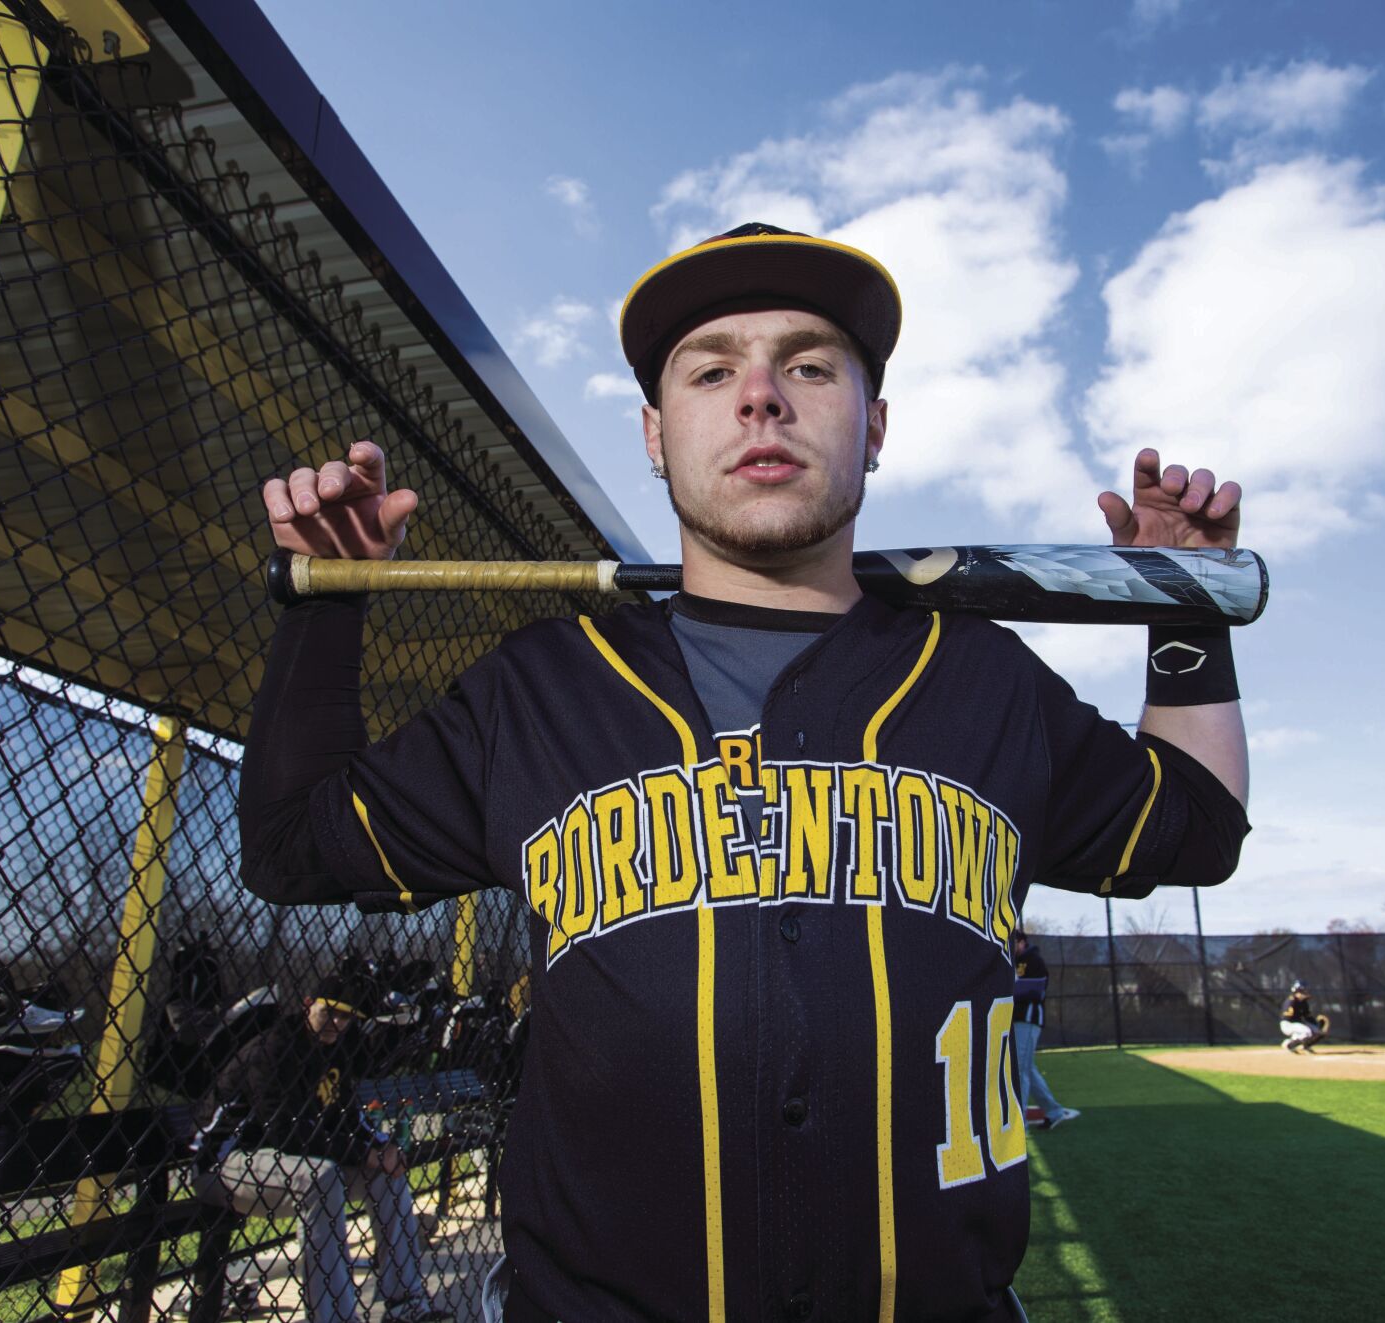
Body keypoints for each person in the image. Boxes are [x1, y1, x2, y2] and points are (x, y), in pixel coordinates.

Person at [240, 222, 1251, 1322]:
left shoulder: (985, 685)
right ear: (653, 435)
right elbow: (293, 841)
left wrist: (1183, 613)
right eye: (711, 369)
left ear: (872, 429)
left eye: (809, 366)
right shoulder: (536, 691)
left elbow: (1195, 826)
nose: (760, 395)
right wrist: (326, 606)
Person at [193, 973, 449, 1323]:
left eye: (346, 1017)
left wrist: (383, 1147)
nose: (336, 1023)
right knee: (321, 1175)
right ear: (307, 1004)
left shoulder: (334, 1052)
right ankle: (333, 1318)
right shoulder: (274, 1049)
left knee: (385, 1176)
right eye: (329, 1011)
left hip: (290, 1167)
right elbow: (284, 1132)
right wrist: (363, 1153)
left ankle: (405, 1303)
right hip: (225, 1163)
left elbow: (346, 1119)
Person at [1011, 931, 1079, 1131]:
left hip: (1028, 1020)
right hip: (1014, 1020)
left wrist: (1014, 988)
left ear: (1021, 942)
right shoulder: (1008, 960)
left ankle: (1018, 1121)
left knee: (1020, 1070)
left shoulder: (1034, 961)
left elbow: (1037, 991)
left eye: (1013, 941)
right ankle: (1054, 1111)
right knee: (1027, 1069)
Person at [1279, 980, 1328, 1053]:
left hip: (1297, 1024)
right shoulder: (1292, 1001)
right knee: (1307, 1032)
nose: (1306, 992)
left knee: (1318, 1033)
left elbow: (1307, 1017)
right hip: (1287, 1024)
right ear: (1297, 991)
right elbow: (1288, 1018)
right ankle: (1289, 1044)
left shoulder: (1303, 1002)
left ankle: (1305, 1046)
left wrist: (1316, 1025)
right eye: (1304, 990)